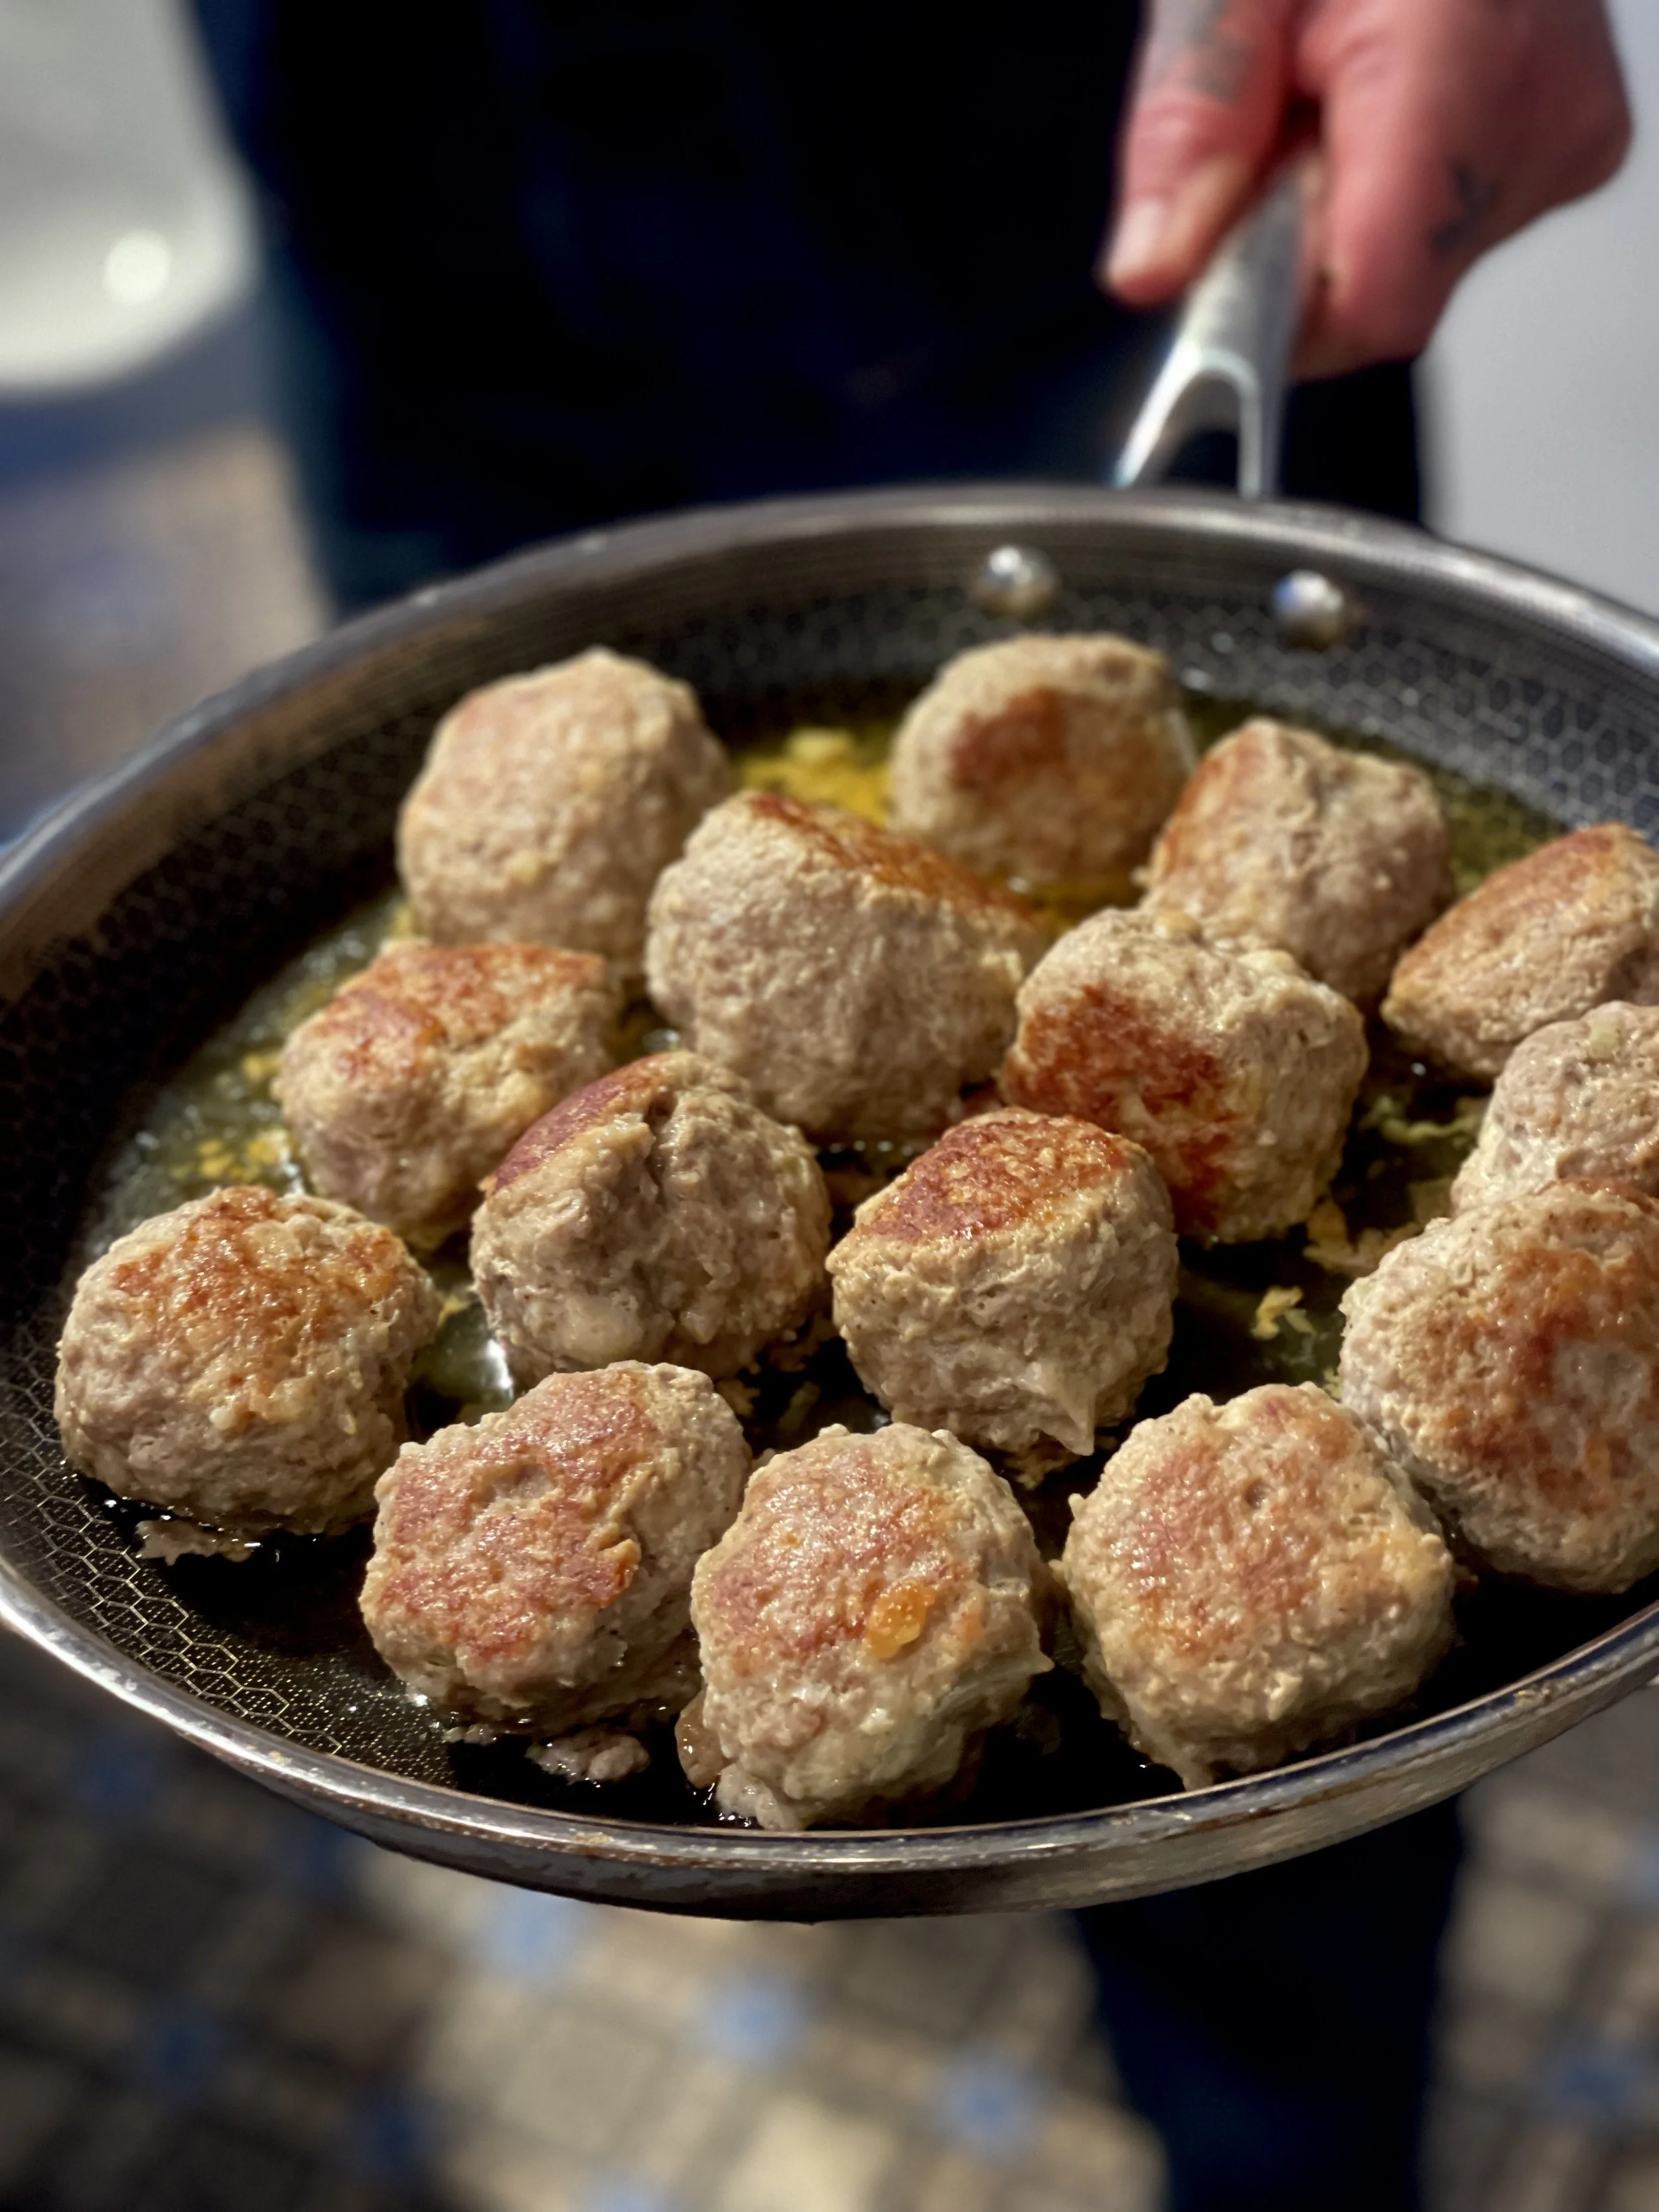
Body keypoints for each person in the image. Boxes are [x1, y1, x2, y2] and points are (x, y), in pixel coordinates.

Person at [189, 7, 1631, 2205]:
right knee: (426, 758)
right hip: (413, 196)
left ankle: (1293, 2153)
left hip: (1016, 152)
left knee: (1270, 1838)